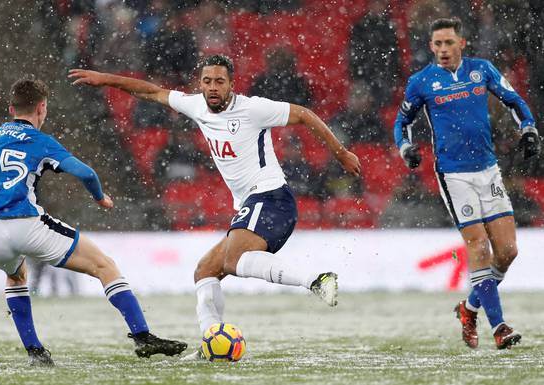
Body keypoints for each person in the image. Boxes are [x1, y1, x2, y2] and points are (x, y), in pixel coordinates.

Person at [69, 54, 361, 359]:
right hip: (252, 204)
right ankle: (211, 343)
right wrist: (106, 79)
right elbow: (151, 92)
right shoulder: (196, 105)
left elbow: (303, 114)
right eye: (207, 81)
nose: (212, 87)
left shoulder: (253, 109)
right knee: (205, 271)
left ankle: (315, 279)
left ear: (232, 85)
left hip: (272, 198)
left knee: (234, 260)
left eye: (219, 82)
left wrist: (340, 154)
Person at [0, 78, 187, 366]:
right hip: (25, 224)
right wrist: (99, 197)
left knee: (16, 276)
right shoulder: (41, 141)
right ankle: (143, 337)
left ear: (11, 109)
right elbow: (86, 173)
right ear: (42, 108)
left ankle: (35, 352)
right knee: (104, 265)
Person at [394, 18, 540, 350]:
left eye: (449, 43)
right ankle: (499, 326)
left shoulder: (482, 70)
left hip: (488, 170)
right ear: (431, 47)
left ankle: (469, 308)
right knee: (479, 248)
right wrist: (406, 148)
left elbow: (514, 101)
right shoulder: (422, 82)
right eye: (437, 44)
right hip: (453, 174)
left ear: (462, 43)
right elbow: (402, 121)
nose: (443, 50)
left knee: (508, 251)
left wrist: (529, 129)